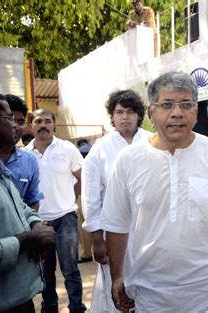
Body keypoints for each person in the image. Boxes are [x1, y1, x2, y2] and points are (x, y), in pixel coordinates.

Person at [100, 71, 208, 312]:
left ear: (196, 112)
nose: (177, 113)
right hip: (151, 293)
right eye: (167, 104)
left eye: (186, 104)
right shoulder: (128, 160)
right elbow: (116, 224)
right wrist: (116, 276)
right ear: (152, 112)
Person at [0, 90, 55, 312]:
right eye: (9, 118)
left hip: (19, 299)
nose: (17, 126)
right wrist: (30, 238)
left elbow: (23, 208)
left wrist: (37, 224)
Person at [81, 89, 151, 313]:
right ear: (112, 116)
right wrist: (96, 238)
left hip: (149, 228)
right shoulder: (100, 149)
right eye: (119, 112)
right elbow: (91, 195)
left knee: (149, 282)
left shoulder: (151, 142)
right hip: (113, 230)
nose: (125, 117)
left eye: (130, 112)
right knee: (116, 286)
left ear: (139, 115)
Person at [24, 109, 86, 313]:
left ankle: (76, 307)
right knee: (45, 271)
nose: (43, 124)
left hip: (65, 218)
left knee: (70, 269)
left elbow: (80, 177)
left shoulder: (67, 149)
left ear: (54, 125)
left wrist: (69, 199)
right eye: (38, 121)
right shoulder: (24, 155)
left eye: (47, 121)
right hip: (38, 222)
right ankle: (49, 307)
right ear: (31, 126)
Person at [0, 94, 43, 211]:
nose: (15, 126)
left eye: (21, 121)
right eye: (11, 119)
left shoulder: (30, 161)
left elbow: (33, 201)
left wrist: (31, 225)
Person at [75, 138, 94, 264]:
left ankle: (86, 254)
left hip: (82, 195)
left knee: (83, 227)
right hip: (99, 193)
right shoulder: (95, 150)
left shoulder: (77, 153)